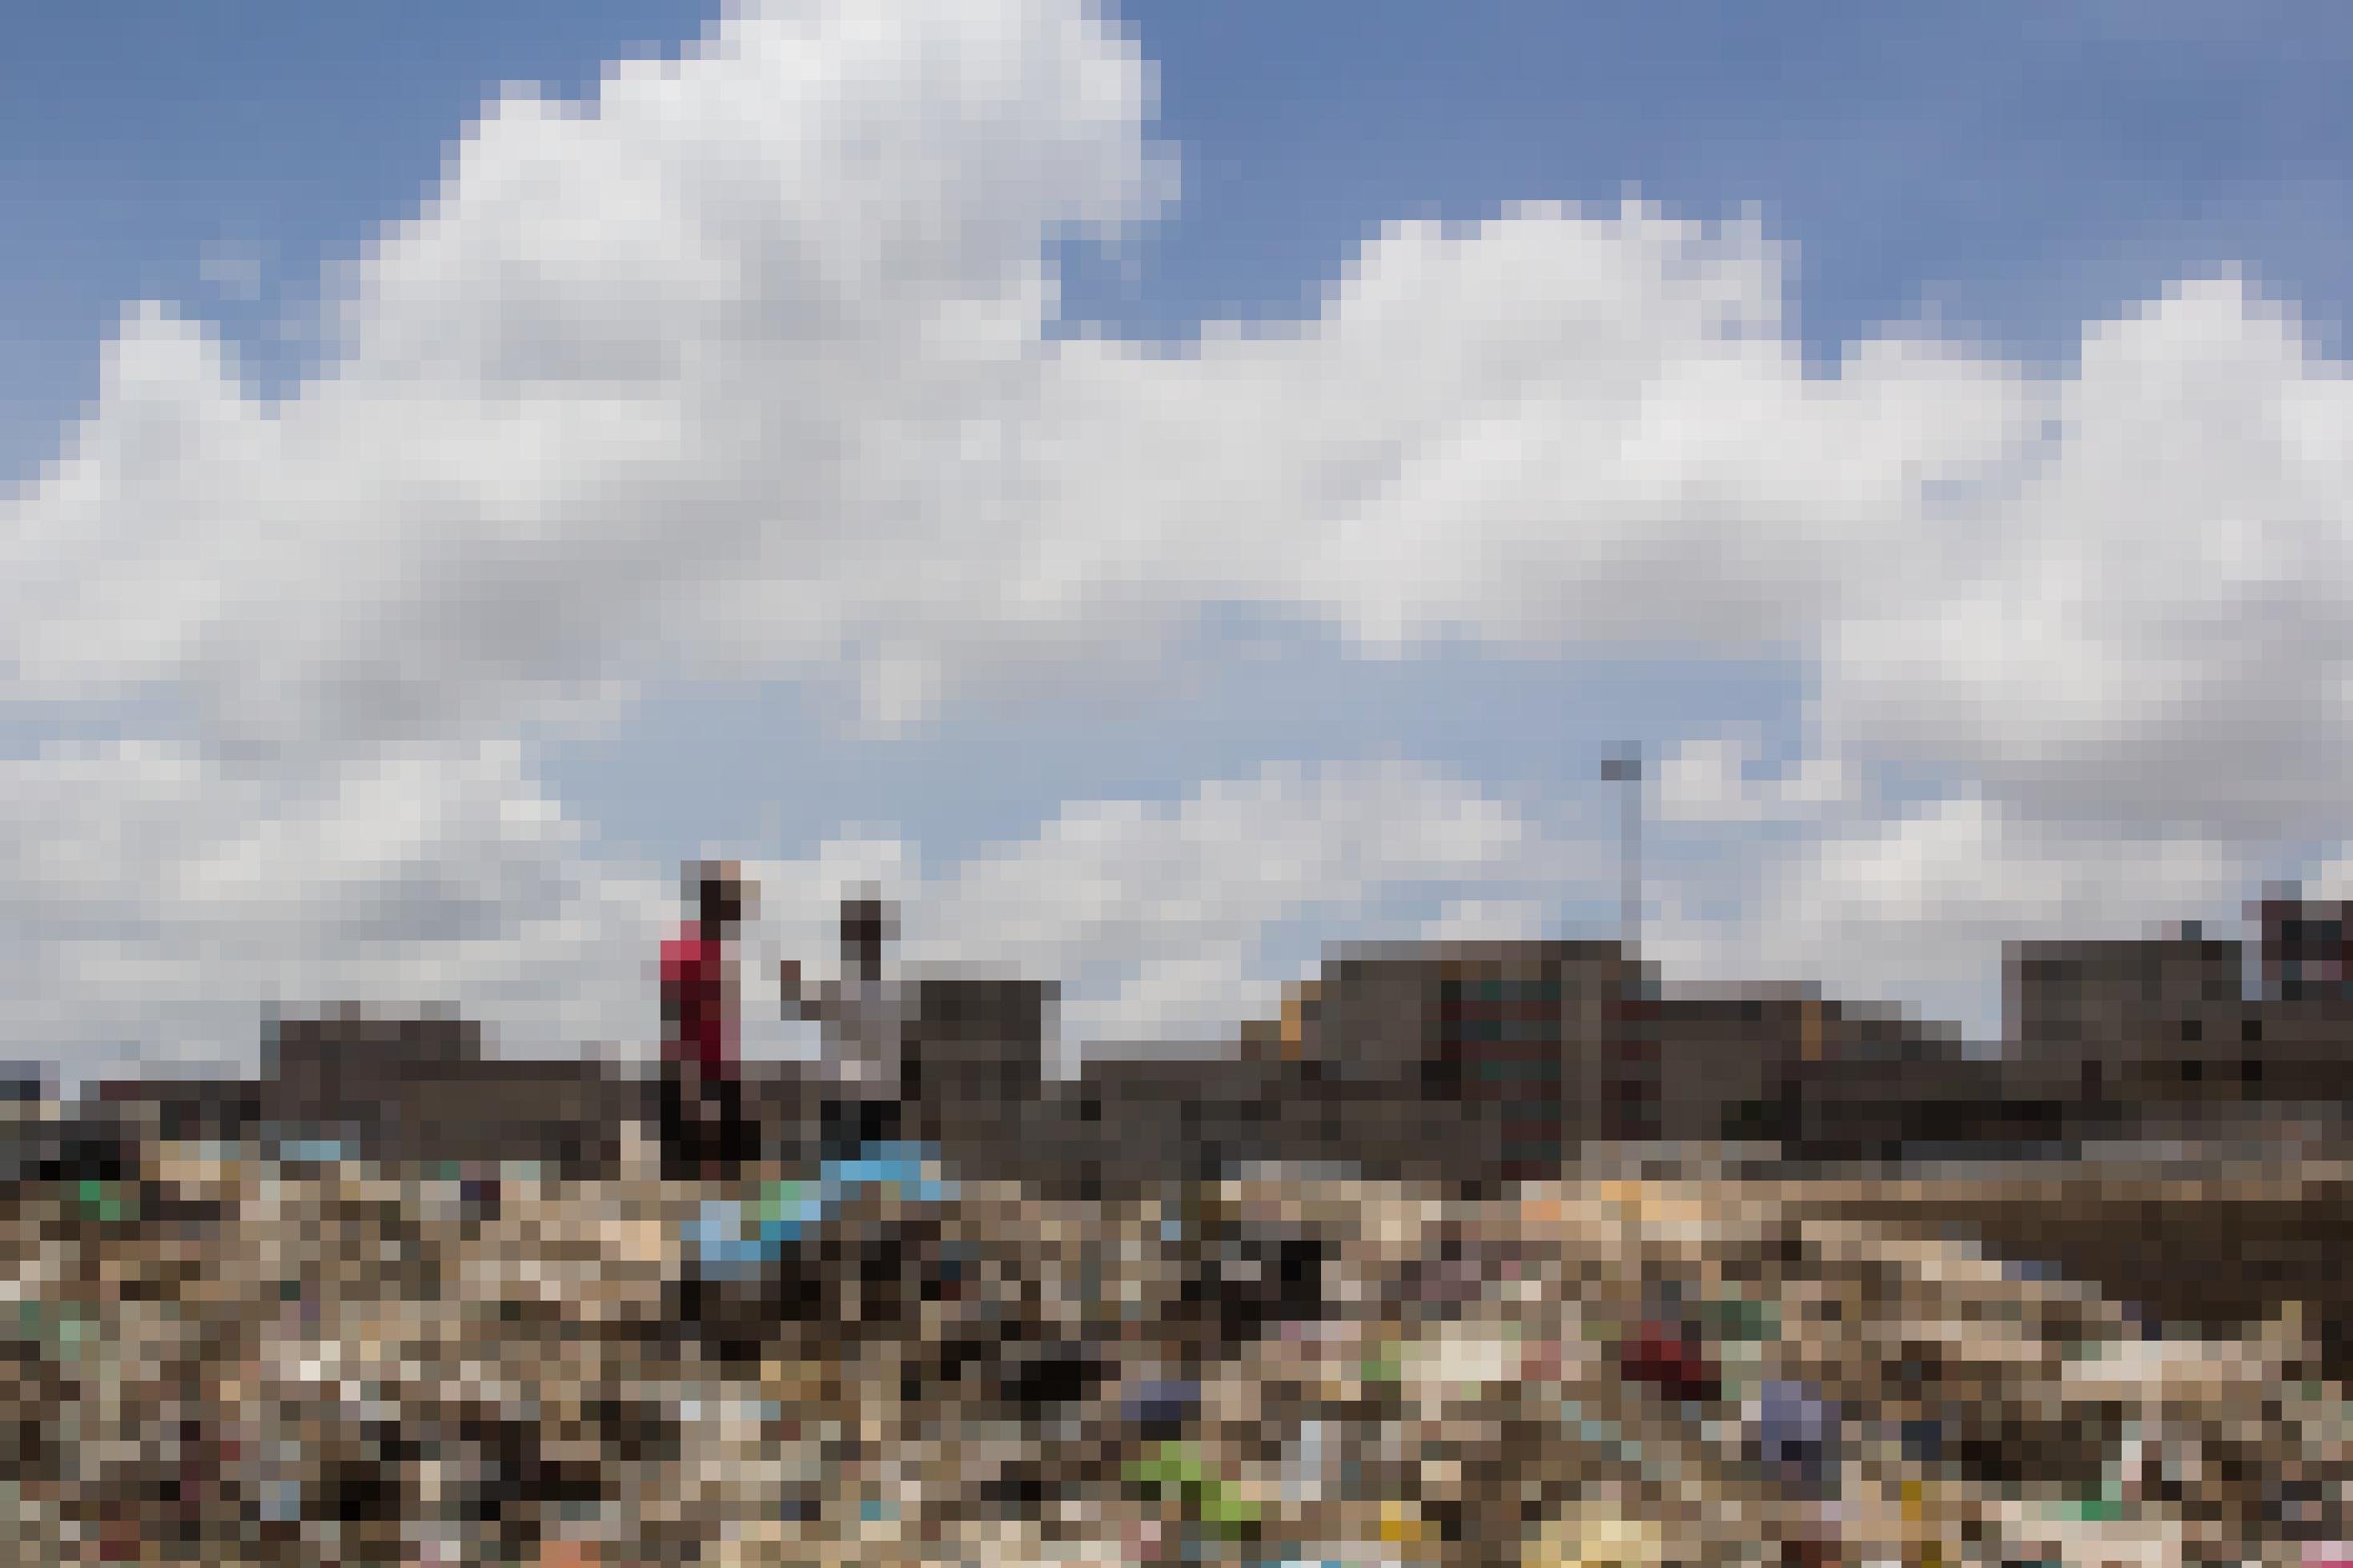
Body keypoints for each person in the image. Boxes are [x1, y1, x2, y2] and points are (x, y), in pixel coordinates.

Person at [781, 891, 908, 1164]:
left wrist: (789, 981)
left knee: (852, 1175)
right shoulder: (886, 990)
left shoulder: (857, 989)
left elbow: (801, 1006)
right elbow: (801, 1005)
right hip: (860, 1100)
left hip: (857, 1100)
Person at [658, 860, 758, 1181]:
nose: (736, 913)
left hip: (714, 1063)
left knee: (727, 1158)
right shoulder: (687, 950)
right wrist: (688, 1067)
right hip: (692, 1061)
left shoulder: (716, 953)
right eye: (731, 904)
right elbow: (675, 1011)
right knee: (686, 1160)